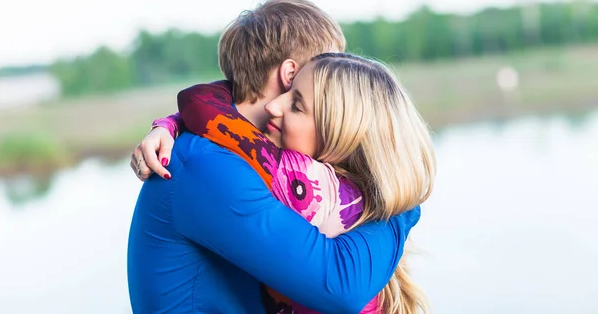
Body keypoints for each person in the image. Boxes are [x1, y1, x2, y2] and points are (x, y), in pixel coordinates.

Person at [128, 0, 423, 313]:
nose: (341, 83)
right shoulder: (208, 166)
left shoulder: (247, 154)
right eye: (330, 66)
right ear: (291, 74)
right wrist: (401, 204)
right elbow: (339, 286)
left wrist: (171, 121)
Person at [168, 52, 436, 313]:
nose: (273, 106)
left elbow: (201, 105)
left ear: (337, 136)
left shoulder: (308, 183)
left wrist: (173, 124)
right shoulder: (369, 199)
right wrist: (406, 208)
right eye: (287, 92)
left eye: (296, 105)